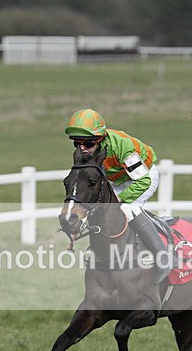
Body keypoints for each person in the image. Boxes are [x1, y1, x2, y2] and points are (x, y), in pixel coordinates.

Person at [65, 108, 178, 283]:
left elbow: (143, 181)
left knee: (127, 208)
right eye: (76, 142)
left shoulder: (122, 146)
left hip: (144, 176)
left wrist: (121, 197)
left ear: (100, 139)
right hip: (119, 180)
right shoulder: (86, 152)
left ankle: (164, 258)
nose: (82, 148)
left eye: (87, 143)